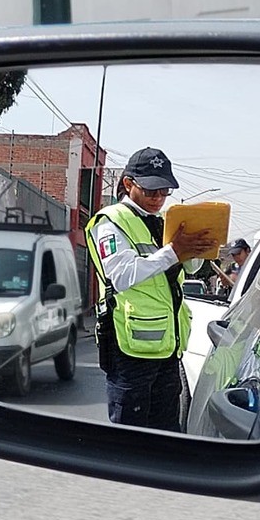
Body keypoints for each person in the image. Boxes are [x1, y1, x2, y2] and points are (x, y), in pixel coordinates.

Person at [85, 147, 216, 431]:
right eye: (150, 191)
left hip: (168, 347)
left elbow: (187, 270)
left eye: (164, 191)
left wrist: (195, 250)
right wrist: (173, 251)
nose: (158, 198)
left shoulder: (163, 222)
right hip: (130, 348)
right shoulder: (111, 222)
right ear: (129, 184)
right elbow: (121, 275)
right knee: (131, 432)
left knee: (166, 429)